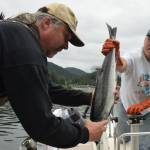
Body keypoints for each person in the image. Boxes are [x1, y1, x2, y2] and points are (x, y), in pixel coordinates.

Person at [0, 3, 108, 148]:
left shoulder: (17, 37)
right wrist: (86, 133)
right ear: (46, 23)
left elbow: (49, 90)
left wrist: (90, 98)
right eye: (66, 36)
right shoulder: (26, 48)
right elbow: (42, 126)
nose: (66, 46)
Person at [101, 30, 150, 149]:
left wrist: (145, 104)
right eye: (149, 39)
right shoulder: (134, 56)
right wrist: (116, 57)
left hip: (148, 111)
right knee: (122, 137)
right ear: (144, 39)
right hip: (125, 105)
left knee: (144, 145)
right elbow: (122, 65)